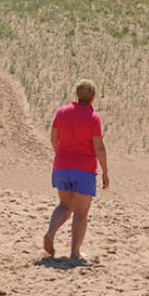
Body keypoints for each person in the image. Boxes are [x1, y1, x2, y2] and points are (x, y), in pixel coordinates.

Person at [43, 79, 109, 260]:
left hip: (62, 165)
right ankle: (74, 252)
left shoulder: (62, 112)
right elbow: (99, 147)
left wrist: (61, 155)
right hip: (84, 169)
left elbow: (53, 138)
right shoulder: (93, 118)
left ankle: (50, 233)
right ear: (93, 97)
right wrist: (105, 171)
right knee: (81, 212)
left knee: (64, 205)